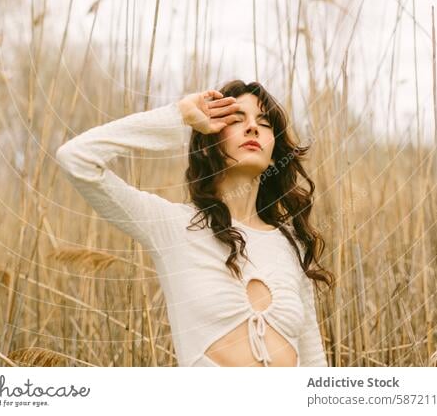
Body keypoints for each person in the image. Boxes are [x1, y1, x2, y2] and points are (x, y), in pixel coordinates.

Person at [55, 79, 334, 367]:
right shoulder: (172, 226)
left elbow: (314, 361)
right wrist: (179, 117)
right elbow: (76, 159)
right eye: (237, 119)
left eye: (264, 124)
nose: (252, 127)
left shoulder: (291, 244)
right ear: (210, 140)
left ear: (275, 152)